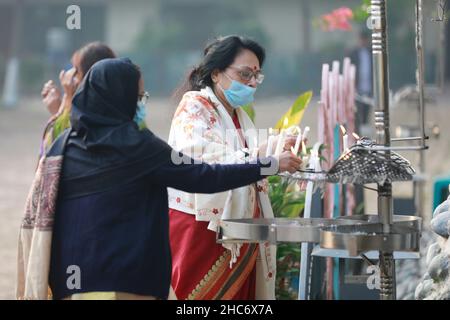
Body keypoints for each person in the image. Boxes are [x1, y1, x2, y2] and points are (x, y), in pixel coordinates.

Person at [16, 58, 301, 300]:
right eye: (138, 96)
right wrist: (268, 164)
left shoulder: (63, 146)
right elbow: (204, 177)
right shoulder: (139, 147)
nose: (141, 103)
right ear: (121, 98)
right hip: (124, 284)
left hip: (71, 282)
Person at [168, 35, 299, 300]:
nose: (251, 83)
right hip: (201, 228)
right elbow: (206, 156)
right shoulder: (194, 105)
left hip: (239, 228)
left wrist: (277, 146)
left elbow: (245, 156)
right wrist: (268, 159)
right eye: (244, 74)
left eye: (256, 76)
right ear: (216, 73)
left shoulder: (237, 115)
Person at [39, 42, 117, 158]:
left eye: (76, 71)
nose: (70, 77)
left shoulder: (88, 117)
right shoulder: (124, 106)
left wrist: (64, 106)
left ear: (89, 78)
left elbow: (53, 152)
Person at [349, 30, 373, 127]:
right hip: (357, 87)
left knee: (367, 112)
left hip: (369, 87)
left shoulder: (371, 52)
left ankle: (365, 130)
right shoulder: (353, 53)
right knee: (358, 112)